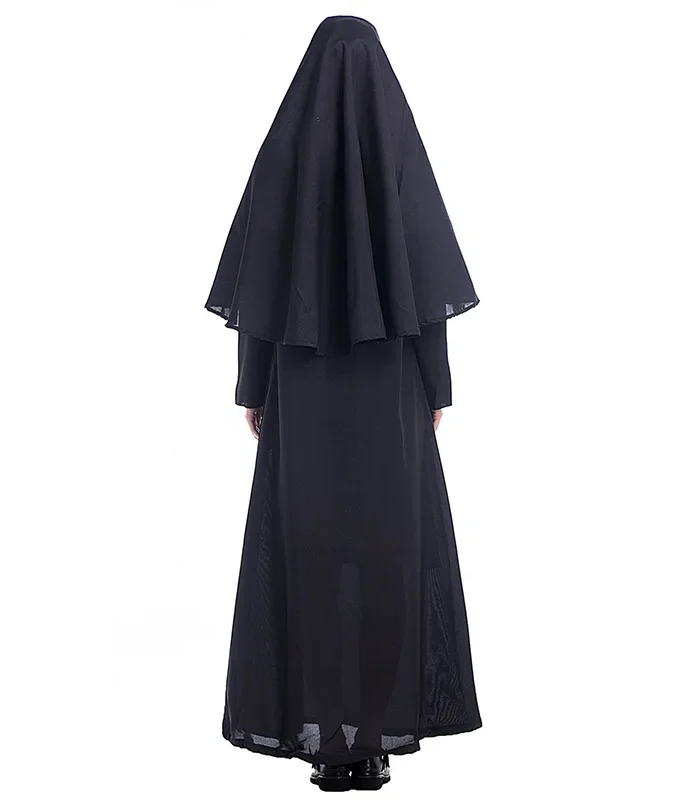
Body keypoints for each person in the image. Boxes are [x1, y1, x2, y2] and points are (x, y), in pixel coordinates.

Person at [205, 15, 482, 792]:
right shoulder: (398, 148)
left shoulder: (284, 154)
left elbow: (259, 285)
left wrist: (254, 387)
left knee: (311, 555)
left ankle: (328, 743)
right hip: (390, 390)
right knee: (389, 556)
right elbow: (429, 281)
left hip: (302, 387)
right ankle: (374, 739)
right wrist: (436, 387)